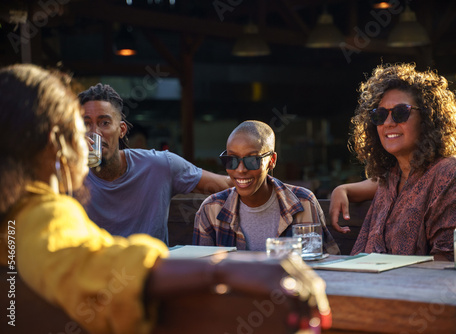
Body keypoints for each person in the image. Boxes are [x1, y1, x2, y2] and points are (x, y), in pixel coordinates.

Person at [0, 64, 331, 333]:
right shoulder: (37, 213)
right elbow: (92, 266)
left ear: (122, 129)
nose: (91, 140)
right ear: (55, 142)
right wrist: (223, 271)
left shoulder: (17, 212)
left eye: (102, 125)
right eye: (80, 129)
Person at [330, 63, 456, 263]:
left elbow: (450, 261)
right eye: (380, 115)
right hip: (379, 286)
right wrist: (343, 190)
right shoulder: (395, 176)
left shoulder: (452, 171)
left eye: (401, 112)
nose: (388, 123)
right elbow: (387, 185)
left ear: (428, 117)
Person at [78, 83, 232, 244]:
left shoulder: (159, 165)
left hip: (151, 267)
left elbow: (227, 185)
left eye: (104, 123)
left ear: (121, 130)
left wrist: (254, 166)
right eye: (86, 124)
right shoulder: (68, 174)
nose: (94, 132)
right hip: (92, 268)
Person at [193, 120, 340, 254]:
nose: (240, 169)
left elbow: (326, 264)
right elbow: (200, 272)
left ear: (272, 161)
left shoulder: (304, 203)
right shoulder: (211, 209)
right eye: (231, 160)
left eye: (252, 160)